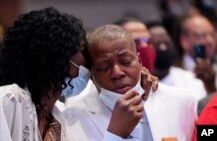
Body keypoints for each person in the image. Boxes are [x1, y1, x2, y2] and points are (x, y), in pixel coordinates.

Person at [0, 7, 90, 141]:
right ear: (57, 57)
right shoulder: (8, 99)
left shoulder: (59, 113)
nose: (84, 59)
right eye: (79, 49)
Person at [63, 24, 196, 141]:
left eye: (126, 61)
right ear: (91, 74)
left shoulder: (180, 101)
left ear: (139, 61)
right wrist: (115, 134)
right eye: (104, 67)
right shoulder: (74, 117)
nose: (117, 72)